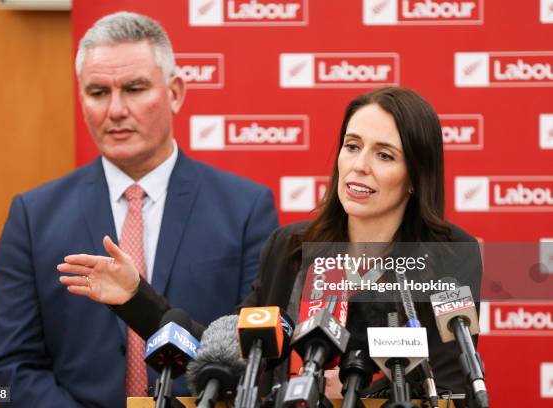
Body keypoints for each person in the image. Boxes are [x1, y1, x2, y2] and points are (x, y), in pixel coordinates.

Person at [58, 87, 483, 401]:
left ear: (415, 177)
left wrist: (360, 390)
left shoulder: (447, 255)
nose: (359, 165)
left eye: (384, 155)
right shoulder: (293, 247)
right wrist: (135, 297)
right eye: (352, 146)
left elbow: (447, 382)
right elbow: (234, 352)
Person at [0, 11, 278, 407]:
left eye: (135, 89)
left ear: (174, 92)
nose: (116, 110)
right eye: (98, 92)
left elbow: (255, 361)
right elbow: (4, 373)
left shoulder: (245, 210)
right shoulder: (34, 217)